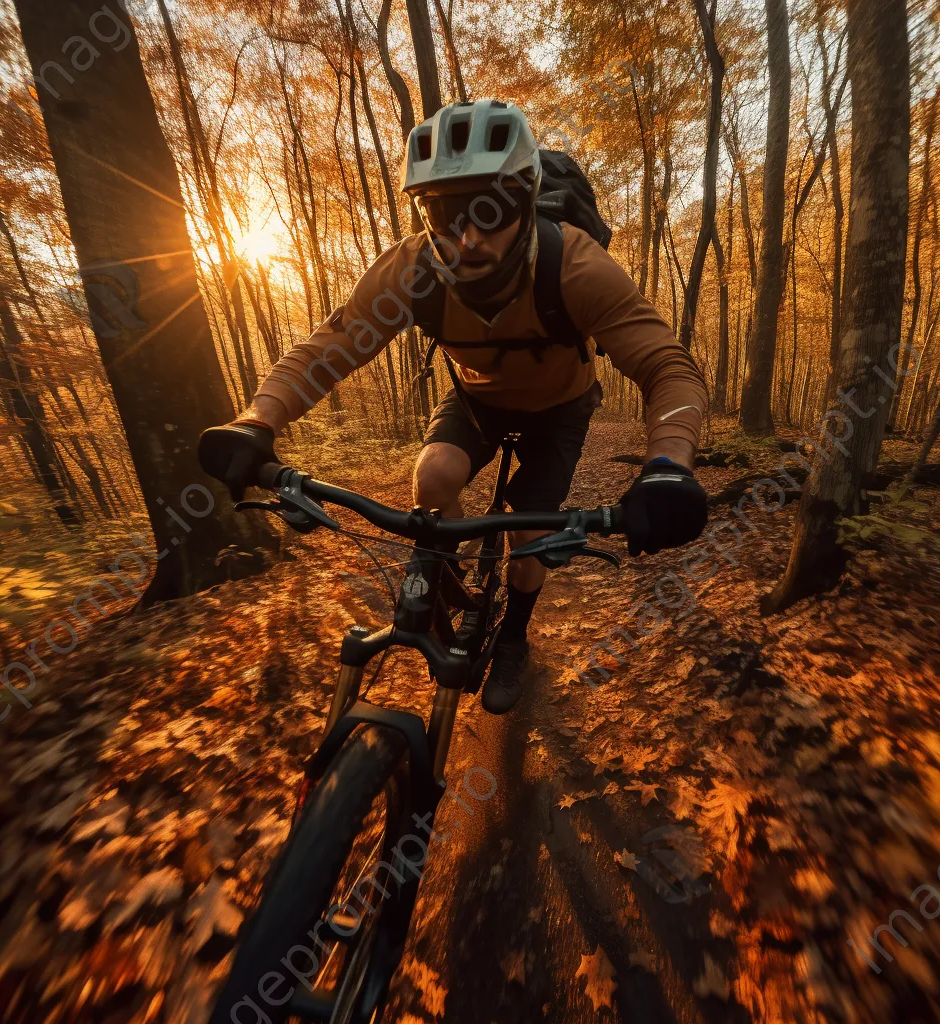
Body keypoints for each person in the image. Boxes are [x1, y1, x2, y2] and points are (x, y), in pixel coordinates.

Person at [201, 99, 709, 714]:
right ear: (424, 212)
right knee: (433, 475)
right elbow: (325, 351)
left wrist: (668, 465)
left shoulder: (575, 266)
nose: (466, 238)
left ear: (523, 204)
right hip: (477, 399)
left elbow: (668, 368)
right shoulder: (413, 272)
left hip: (560, 409)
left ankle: (515, 636)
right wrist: (257, 420)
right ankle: (451, 554)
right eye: (444, 213)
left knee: (530, 533)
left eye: (488, 214)